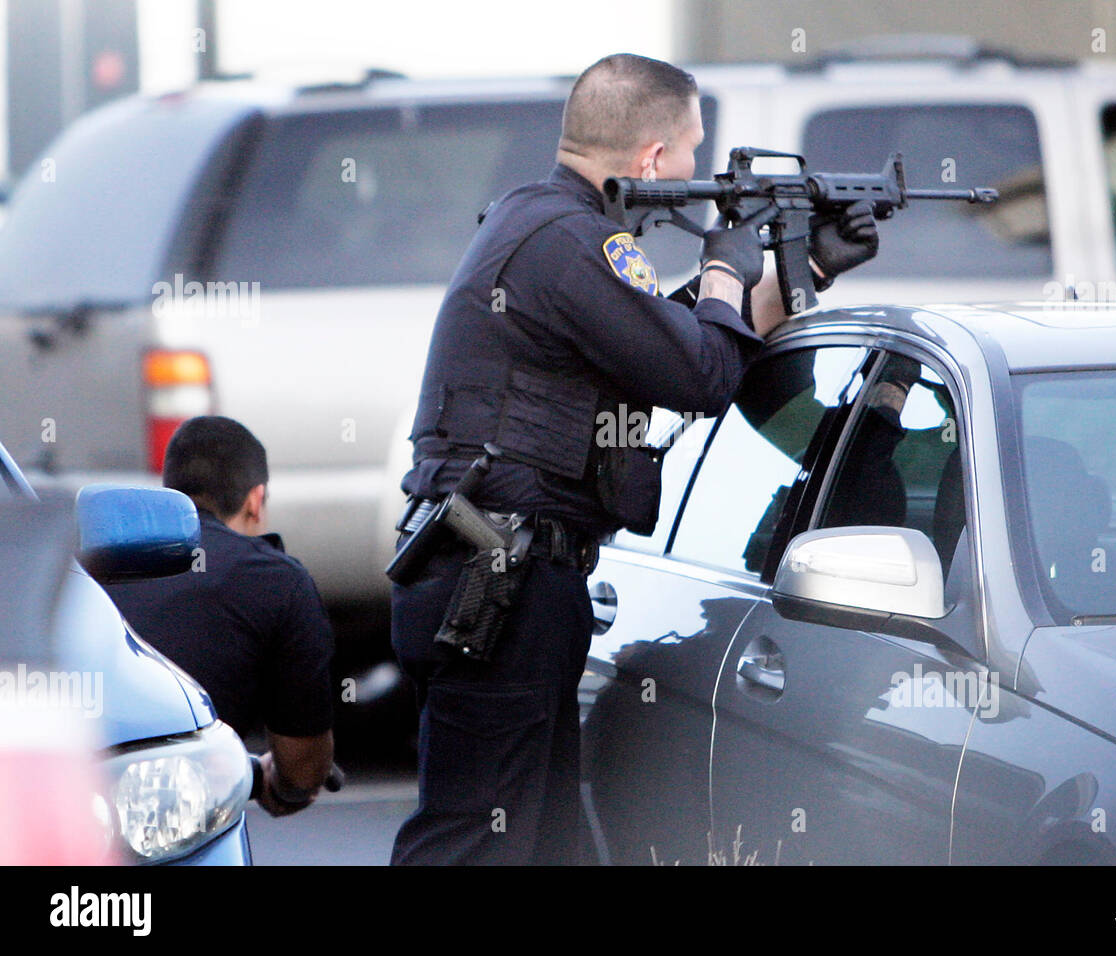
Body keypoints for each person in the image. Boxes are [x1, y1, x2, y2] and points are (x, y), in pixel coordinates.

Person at [389, 52, 878, 865]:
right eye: (692, 150)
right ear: (652, 161)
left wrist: (809, 267)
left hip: (507, 577)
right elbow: (701, 374)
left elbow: (665, 344)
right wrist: (725, 265)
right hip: (497, 581)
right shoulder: (578, 243)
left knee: (542, 844)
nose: (699, 171)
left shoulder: (545, 224)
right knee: (471, 842)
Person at [106, 416, 335, 818]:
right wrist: (273, 784)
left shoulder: (90, 558)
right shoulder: (280, 581)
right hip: (173, 820)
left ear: (168, 494)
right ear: (255, 501)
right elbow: (302, 771)